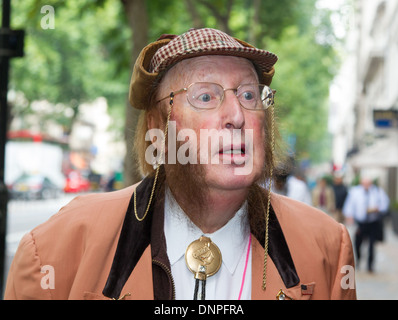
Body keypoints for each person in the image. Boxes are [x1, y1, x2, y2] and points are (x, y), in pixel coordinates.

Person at [5, 28, 356, 300]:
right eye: (205, 96)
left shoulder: (327, 247)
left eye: (249, 95)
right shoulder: (54, 249)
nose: (237, 115)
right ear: (159, 127)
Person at [343, 176, 390, 273]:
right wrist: (349, 216)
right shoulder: (355, 192)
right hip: (360, 222)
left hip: (373, 222)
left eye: (368, 183)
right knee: (358, 242)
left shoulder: (378, 191)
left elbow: (385, 204)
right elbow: (349, 205)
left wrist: (379, 208)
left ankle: (370, 265)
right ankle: (359, 259)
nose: (366, 185)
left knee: (372, 244)